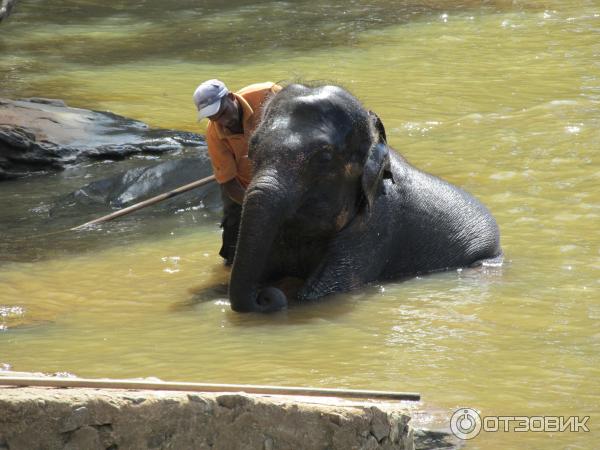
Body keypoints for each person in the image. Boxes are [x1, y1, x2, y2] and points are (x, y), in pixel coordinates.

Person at [193, 79, 282, 265]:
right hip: (244, 185)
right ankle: (231, 268)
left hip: (283, 171)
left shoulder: (269, 94)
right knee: (235, 227)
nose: (223, 122)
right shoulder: (214, 134)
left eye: (224, 112)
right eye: (214, 117)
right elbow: (229, 183)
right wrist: (256, 206)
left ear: (231, 97)